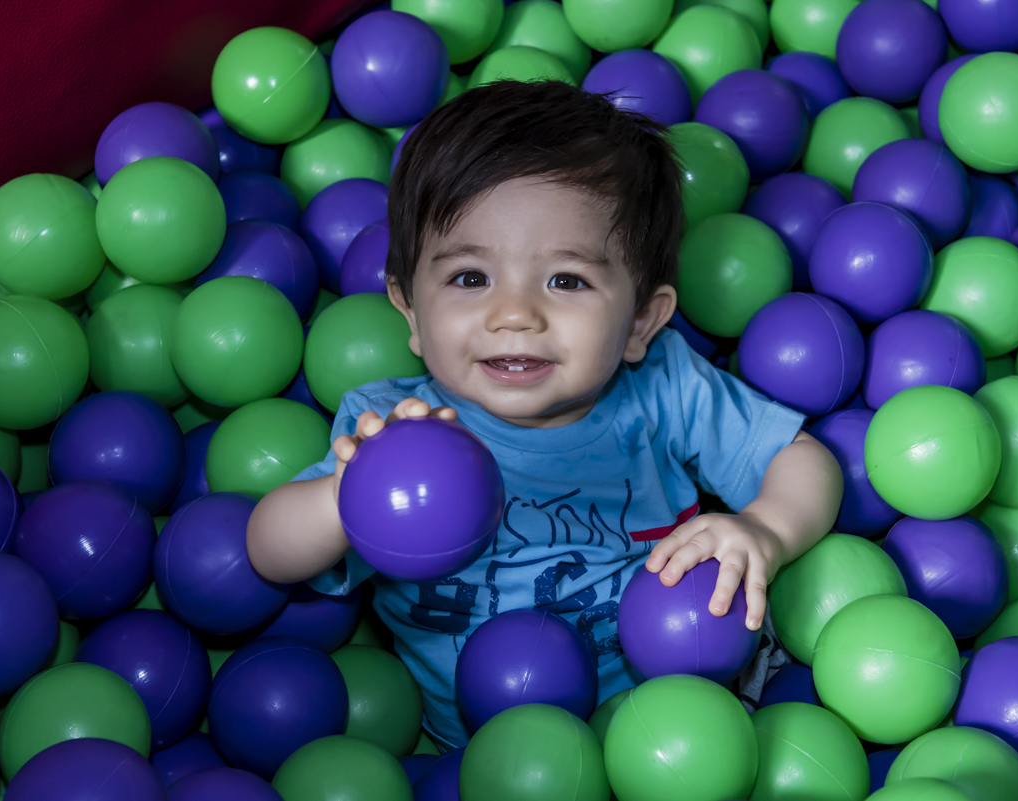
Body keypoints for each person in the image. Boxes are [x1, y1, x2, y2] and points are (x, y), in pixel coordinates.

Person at [247, 80, 843, 749]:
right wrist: (345, 497)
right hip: (484, 751)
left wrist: (764, 530)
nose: (515, 315)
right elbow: (268, 551)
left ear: (642, 321)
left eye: (567, 280)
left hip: (685, 721)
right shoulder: (389, 427)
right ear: (410, 310)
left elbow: (802, 458)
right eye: (470, 278)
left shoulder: (660, 385)